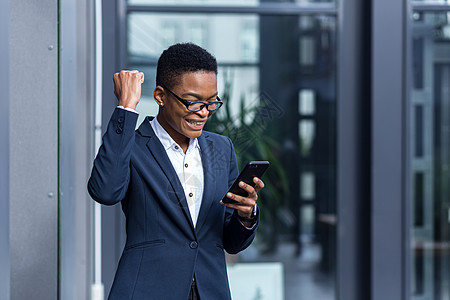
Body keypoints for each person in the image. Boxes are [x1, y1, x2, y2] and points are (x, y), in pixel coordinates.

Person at [88, 42, 265, 300]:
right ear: (160, 96)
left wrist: (246, 215)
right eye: (193, 102)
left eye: (211, 102)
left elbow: (231, 241)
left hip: (210, 291)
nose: (204, 112)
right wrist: (126, 108)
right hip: (147, 291)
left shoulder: (221, 147)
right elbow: (105, 192)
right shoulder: (131, 147)